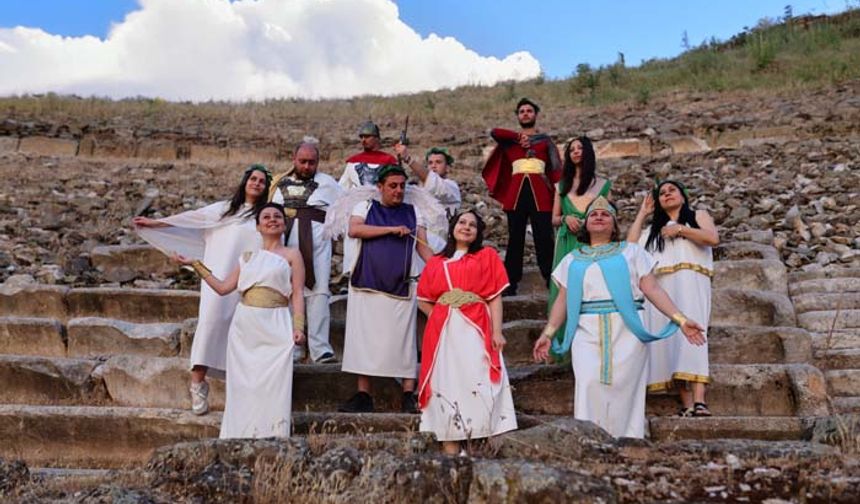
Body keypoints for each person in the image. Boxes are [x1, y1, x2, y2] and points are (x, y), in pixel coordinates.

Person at [532, 196, 706, 438]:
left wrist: (682, 320)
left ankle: (628, 440)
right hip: (586, 331)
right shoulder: (571, 259)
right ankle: (590, 440)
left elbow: (652, 289)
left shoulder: (632, 252)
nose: (599, 217)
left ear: (614, 225)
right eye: (593, 214)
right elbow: (563, 299)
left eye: (605, 214)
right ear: (585, 224)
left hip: (628, 330)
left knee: (626, 386)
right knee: (588, 382)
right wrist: (548, 334)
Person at [133, 164, 271, 416]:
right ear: (245, 181)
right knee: (210, 324)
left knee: (242, 332)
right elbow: (191, 219)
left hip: (247, 280)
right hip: (217, 276)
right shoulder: (223, 209)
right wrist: (156, 223)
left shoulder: (263, 216)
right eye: (253, 178)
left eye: (262, 181)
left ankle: (240, 393)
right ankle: (197, 384)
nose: (257, 183)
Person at [175, 203, 306, 439]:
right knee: (244, 384)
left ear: (284, 225)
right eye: (266, 217)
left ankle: (273, 434)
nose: (272, 220)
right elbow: (223, 288)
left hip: (276, 323)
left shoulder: (292, 255)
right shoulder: (247, 257)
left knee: (274, 383)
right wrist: (195, 264)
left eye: (277, 216)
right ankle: (239, 435)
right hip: (245, 326)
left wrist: (298, 327)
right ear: (258, 227)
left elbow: (297, 293)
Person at [417, 210, 517, 454]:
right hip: (444, 333)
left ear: (478, 232)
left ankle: (484, 434)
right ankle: (450, 441)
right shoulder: (436, 262)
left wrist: (497, 331)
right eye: (462, 222)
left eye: (473, 225)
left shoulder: (486, 256)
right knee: (447, 380)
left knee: (479, 374)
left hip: (476, 327)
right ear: (452, 227)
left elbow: (494, 297)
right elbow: (423, 300)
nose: (466, 227)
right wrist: (441, 316)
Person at [336, 165, 435, 413]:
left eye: (402, 185)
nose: (398, 190)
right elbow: (355, 229)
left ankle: (408, 394)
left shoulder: (413, 212)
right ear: (380, 187)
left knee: (404, 342)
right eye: (393, 186)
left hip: (401, 284)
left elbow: (423, 246)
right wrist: (390, 230)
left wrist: (443, 268)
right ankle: (363, 395)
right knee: (363, 340)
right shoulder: (365, 207)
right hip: (366, 282)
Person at [627, 180, 719, 417]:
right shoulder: (653, 231)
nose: (667, 194)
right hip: (661, 287)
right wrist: (642, 213)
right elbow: (629, 248)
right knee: (671, 339)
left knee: (694, 333)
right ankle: (687, 403)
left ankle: (700, 400)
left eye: (672, 190)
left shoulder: (697, 216)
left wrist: (680, 229)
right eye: (662, 193)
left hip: (692, 278)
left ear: (683, 195)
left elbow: (712, 238)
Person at [270, 141, 344, 364]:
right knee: (287, 292)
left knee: (319, 293)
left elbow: (344, 210)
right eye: (302, 161)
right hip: (284, 244)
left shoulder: (328, 184)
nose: (306, 166)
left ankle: (320, 349)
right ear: (294, 159)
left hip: (318, 245)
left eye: (312, 162)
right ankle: (292, 347)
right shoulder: (278, 184)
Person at [482, 97, 562, 296]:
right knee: (515, 240)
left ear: (536, 115)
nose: (525, 114)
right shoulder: (510, 141)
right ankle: (511, 284)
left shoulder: (545, 141)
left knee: (544, 239)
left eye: (529, 111)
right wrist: (518, 137)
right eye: (522, 111)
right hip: (516, 195)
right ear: (518, 116)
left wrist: (560, 197)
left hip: (541, 194)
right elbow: (494, 132)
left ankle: (551, 280)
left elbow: (556, 170)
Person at [547, 136, 611, 357]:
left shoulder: (603, 184)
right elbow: (554, 218)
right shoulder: (561, 186)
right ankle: (563, 348)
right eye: (571, 149)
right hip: (568, 243)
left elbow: (611, 214)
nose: (575, 152)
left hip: (594, 242)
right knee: (565, 290)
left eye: (580, 148)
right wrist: (566, 219)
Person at [339, 121, 398, 190]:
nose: (363, 140)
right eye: (362, 137)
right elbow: (341, 188)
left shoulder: (389, 161)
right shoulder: (353, 163)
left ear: (377, 138)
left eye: (367, 136)